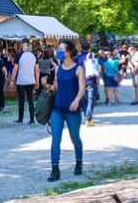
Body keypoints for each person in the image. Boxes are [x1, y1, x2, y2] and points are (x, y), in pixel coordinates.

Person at [47, 40, 86, 182]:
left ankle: (79, 161)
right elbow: (56, 87)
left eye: (61, 49)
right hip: (57, 109)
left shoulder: (78, 69)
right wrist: (47, 85)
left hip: (72, 110)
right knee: (55, 140)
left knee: (75, 138)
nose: (58, 52)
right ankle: (55, 170)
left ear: (69, 52)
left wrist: (76, 101)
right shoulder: (58, 69)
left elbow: (82, 88)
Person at [11, 39, 40, 124]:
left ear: (23, 45)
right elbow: (37, 69)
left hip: (21, 81)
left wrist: (12, 80)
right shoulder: (34, 55)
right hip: (31, 81)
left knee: (21, 100)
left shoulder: (19, 55)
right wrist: (37, 81)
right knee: (31, 101)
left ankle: (20, 119)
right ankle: (32, 119)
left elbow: (15, 69)